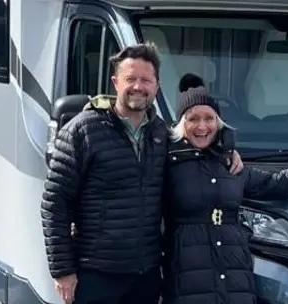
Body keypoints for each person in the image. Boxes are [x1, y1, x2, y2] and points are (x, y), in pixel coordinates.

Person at [40, 42, 244, 304]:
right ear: (115, 83)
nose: (138, 87)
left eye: (146, 80)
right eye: (130, 79)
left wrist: (227, 152)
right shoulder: (83, 130)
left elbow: (198, 148)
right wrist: (62, 270)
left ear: (156, 86)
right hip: (96, 274)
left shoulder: (162, 133)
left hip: (145, 276)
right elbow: (55, 202)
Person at [161, 76, 288, 304]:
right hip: (187, 275)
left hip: (235, 272)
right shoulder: (168, 162)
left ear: (218, 124)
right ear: (181, 124)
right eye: (193, 119)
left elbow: (276, 185)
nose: (202, 126)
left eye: (209, 118)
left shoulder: (231, 164)